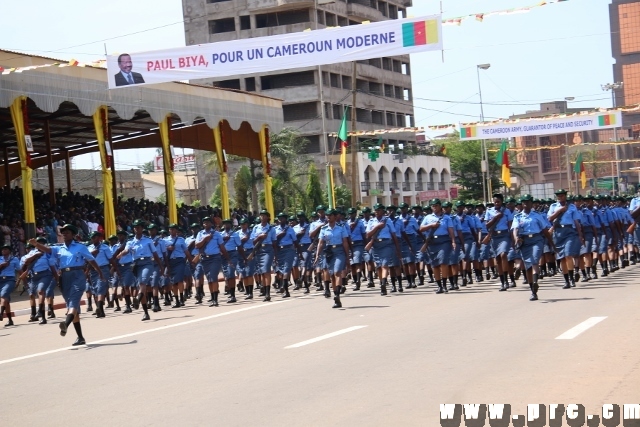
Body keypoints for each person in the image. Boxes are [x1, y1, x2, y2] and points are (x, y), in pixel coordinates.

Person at [30, 224, 105, 345]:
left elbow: (91, 260)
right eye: (63, 233)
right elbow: (48, 250)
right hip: (64, 277)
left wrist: (100, 273)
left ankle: (66, 323)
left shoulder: (80, 247)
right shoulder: (59, 248)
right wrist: (36, 244)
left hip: (78, 275)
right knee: (71, 305)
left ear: (73, 235)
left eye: (67, 232)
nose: (64, 234)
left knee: (74, 301)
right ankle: (80, 337)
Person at [116, 219, 164, 321]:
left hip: (147, 263)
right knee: (141, 287)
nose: (136, 229)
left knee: (142, 282)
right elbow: (126, 250)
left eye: (138, 227)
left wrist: (161, 266)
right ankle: (146, 312)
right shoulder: (131, 242)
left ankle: (137, 299)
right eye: (135, 227)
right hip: (136, 265)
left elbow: (155, 254)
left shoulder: (148, 240)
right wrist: (121, 254)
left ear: (142, 229)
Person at [511, 194, 555, 301]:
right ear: (522, 204)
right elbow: (515, 229)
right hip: (524, 242)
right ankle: (533, 292)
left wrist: (551, 243)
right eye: (524, 202)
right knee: (528, 267)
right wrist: (516, 238)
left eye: (528, 202)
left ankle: (535, 282)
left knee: (535, 260)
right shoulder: (518, 216)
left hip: (537, 240)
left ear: (531, 203)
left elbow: (544, 230)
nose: (525, 204)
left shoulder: (537, 215)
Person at [547, 189, 584, 289]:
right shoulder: (553, 206)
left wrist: (580, 235)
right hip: (558, 233)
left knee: (568, 255)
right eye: (558, 196)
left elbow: (576, 221)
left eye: (562, 196)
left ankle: (572, 279)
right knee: (561, 258)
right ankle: (566, 280)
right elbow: (550, 219)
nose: (560, 197)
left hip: (569, 232)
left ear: (565, 196)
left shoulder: (572, 207)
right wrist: (559, 211)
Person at [315, 209, 351, 308]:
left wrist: (347, 256)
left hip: (339, 251)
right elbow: (321, 243)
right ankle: (336, 297)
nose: (328, 217)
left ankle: (337, 295)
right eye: (327, 215)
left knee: (337, 272)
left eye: (330, 215)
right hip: (329, 252)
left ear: (335, 216)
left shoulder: (341, 227)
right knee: (331, 275)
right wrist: (317, 255)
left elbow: (345, 242)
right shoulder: (324, 229)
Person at [420, 199, 456, 294]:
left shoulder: (447, 218)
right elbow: (421, 229)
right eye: (432, 206)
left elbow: (451, 230)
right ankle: (439, 286)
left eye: (436, 205)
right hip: (432, 242)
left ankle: (444, 285)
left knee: (443, 262)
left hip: (444, 241)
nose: (434, 207)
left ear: (440, 206)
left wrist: (453, 241)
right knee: (435, 265)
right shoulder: (427, 217)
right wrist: (431, 225)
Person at [366, 203, 402, 296]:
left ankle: (383, 284)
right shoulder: (371, 221)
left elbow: (393, 234)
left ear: (382, 211)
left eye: (379, 210)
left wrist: (397, 249)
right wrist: (377, 226)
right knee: (378, 266)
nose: (377, 212)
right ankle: (382, 281)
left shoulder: (388, 220)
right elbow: (368, 235)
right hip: (375, 244)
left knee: (385, 265)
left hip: (387, 244)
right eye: (375, 210)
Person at [195, 216, 231, 307]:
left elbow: (222, 247)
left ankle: (215, 299)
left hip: (215, 258)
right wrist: (204, 239)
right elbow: (197, 246)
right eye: (204, 222)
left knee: (213, 277)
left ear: (211, 224)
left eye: (207, 222)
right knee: (210, 280)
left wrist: (227, 259)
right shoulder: (200, 234)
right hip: (204, 259)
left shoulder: (217, 234)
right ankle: (212, 298)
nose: (206, 224)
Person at [484, 194, 514, 291]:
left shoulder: (507, 211)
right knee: (497, 259)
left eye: (498, 202)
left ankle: (506, 280)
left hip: (505, 235)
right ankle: (502, 282)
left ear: (502, 202)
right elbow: (487, 225)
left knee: (503, 255)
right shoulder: (489, 211)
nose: (496, 203)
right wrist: (495, 218)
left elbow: (510, 225)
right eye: (495, 202)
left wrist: (513, 238)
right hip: (494, 236)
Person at [250, 210, 277, 302]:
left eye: (265, 216)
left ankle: (268, 293)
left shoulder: (272, 229)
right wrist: (259, 237)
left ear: (268, 217)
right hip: (258, 250)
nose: (262, 217)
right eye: (261, 215)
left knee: (266, 270)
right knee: (262, 271)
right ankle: (265, 291)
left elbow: (274, 242)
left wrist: (275, 254)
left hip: (268, 250)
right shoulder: (256, 228)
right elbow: (252, 242)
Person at [274, 212, 300, 298]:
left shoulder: (290, 229)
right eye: (279, 218)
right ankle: (283, 287)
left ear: (285, 219)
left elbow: (295, 241)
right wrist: (279, 235)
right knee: (281, 270)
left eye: (282, 218)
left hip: (289, 249)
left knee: (286, 269)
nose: (281, 220)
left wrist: (299, 253)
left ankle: (286, 290)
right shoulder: (275, 229)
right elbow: (273, 240)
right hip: (279, 250)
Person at [165, 223, 192, 308]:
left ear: (176, 230)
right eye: (170, 229)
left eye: (173, 229)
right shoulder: (165, 240)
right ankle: (176, 300)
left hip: (180, 261)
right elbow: (161, 251)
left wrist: (191, 261)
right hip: (170, 262)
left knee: (179, 280)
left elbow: (186, 251)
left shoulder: (181, 239)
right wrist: (167, 248)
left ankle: (181, 299)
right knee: (173, 282)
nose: (172, 230)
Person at [0, 244, 20, 327]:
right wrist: (2, 265)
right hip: (0, 279)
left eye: (6, 249)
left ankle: (1, 314)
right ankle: (10, 320)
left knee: (4, 295)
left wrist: (20, 281)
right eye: (3, 249)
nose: (4, 250)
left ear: (9, 250)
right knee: (6, 300)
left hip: (10, 279)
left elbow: (19, 269)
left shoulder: (14, 259)